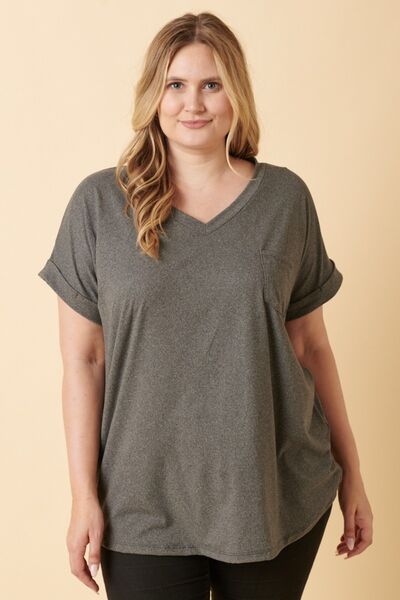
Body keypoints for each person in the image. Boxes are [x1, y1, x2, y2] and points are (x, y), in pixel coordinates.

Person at [37, 11, 373, 600]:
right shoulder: (98, 205)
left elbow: (311, 346)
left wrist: (354, 476)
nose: (193, 103)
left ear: (235, 93)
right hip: (139, 502)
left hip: (271, 491)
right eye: (176, 84)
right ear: (154, 95)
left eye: (211, 84)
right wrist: (83, 497)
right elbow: (84, 363)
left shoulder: (285, 199)